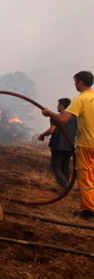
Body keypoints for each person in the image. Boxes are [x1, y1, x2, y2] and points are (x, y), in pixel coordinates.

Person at [42, 71, 94, 222]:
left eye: (75, 81)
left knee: (86, 177)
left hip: (87, 144)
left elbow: (63, 119)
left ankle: (89, 211)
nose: (75, 84)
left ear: (81, 83)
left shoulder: (81, 99)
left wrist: (49, 113)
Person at [37, 98, 77, 190]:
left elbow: (52, 130)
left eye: (58, 105)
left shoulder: (56, 117)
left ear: (62, 106)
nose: (57, 106)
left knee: (56, 166)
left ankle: (65, 185)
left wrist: (42, 135)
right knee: (65, 167)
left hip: (58, 145)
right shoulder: (75, 118)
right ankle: (66, 188)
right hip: (70, 146)